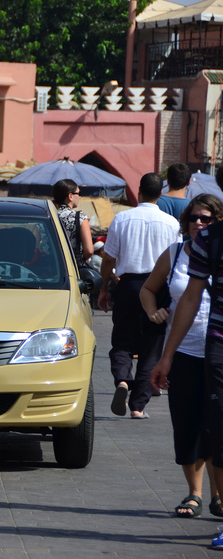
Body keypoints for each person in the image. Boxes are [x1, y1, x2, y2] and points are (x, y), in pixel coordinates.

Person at [140, 195, 223, 519]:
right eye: (194, 218)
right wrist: (153, 312)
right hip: (185, 350)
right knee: (187, 423)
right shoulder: (175, 253)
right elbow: (149, 289)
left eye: (207, 218)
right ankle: (195, 493)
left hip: (214, 347)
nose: (199, 224)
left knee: (215, 425)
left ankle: (219, 496)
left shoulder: (216, 248)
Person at [99, 172, 181, 418]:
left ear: (140, 191)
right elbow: (175, 262)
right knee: (152, 345)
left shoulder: (122, 219)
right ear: (160, 193)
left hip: (129, 285)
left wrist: (105, 286)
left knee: (123, 341)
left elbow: (108, 258)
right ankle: (138, 406)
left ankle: (123, 380)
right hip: (160, 288)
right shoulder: (172, 223)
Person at [53, 178, 94, 264]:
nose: (80, 197)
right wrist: (81, 260)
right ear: (70, 196)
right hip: (72, 265)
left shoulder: (49, 216)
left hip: (53, 266)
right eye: (79, 193)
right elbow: (89, 250)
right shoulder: (80, 217)